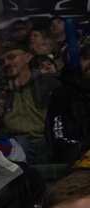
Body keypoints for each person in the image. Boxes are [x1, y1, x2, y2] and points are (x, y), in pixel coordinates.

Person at [0, 40, 62, 165]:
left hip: (43, 145)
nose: (6, 63)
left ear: (27, 57)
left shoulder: (48, 84)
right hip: (13, 147)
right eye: (2, 61)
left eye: (11, 57)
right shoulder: (2, 91)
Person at [45, 37, 90, 168]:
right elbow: (57, 139)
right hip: (74, 165)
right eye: (86, 57)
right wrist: (82, 150)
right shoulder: (61, 94)